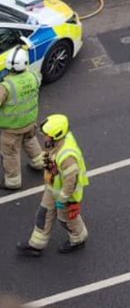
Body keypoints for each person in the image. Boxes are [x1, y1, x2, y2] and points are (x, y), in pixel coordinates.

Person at [17, 115, 88, 256]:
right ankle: (36, 245)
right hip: (53, 188)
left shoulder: (67, 157)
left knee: (67, 220)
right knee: (43, 214)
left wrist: (62, 199)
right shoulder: (58, 143)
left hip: (67, 196)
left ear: (56, 135)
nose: (44, 138)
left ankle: (78, 239)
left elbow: (70, 182)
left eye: (47, 136)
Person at [0, 47, 43, 191]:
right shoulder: (34, 76)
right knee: (30, 140)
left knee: (10, 153)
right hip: (30, 122)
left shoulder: (6, 87)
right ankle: (39, 163)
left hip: (12, 128)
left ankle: (13, 182)